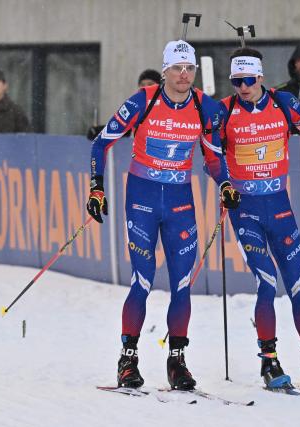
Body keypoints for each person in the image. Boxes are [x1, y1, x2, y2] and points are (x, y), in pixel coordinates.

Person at [87, 40, 237, 391]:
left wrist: (226, 183)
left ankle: (177, 362)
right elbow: (101, 143)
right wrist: (96, 188)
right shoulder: (144, 100)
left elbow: (213, 156)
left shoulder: (204, 106)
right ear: (165, 70)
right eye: (177, 69)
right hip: (141, 198)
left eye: (189, 69)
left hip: (180, 202)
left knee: (182, 283)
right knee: (143, 279)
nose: (183, 76)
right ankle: (128, 359)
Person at [217, 47, 300, 389]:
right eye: (236, 81)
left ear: (260, 77)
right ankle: (270, 362)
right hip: (245, 211)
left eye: (248, 80)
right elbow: (210, 155)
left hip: (279, 207)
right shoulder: (225, 110)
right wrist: (224, 183)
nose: (243, 87)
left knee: (297, 285)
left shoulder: (284, 103)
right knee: (266, 283)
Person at [87, 69, 163, 141]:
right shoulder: (136, 106)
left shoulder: (168, 106)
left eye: (150, 84)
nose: (145, 87)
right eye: (142, 84)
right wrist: (98, 131)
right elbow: (123, 127)